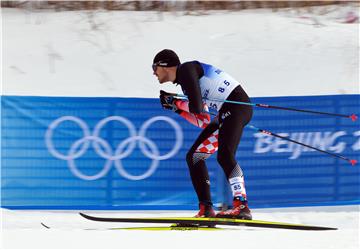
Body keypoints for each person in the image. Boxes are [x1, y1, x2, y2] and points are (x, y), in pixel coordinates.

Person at [152, 49, 253, 220]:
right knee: (195, 157)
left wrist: (175, 102)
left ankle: (241, 205)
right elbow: (203, 120)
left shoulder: (186, 69)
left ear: (165, 65)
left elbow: (197, 107)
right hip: (226, 112)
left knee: (225, 155)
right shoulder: (185, 83)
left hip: (236, 106)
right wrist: (177, 108)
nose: (153, 73)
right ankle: (206, 208)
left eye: (154, 67)